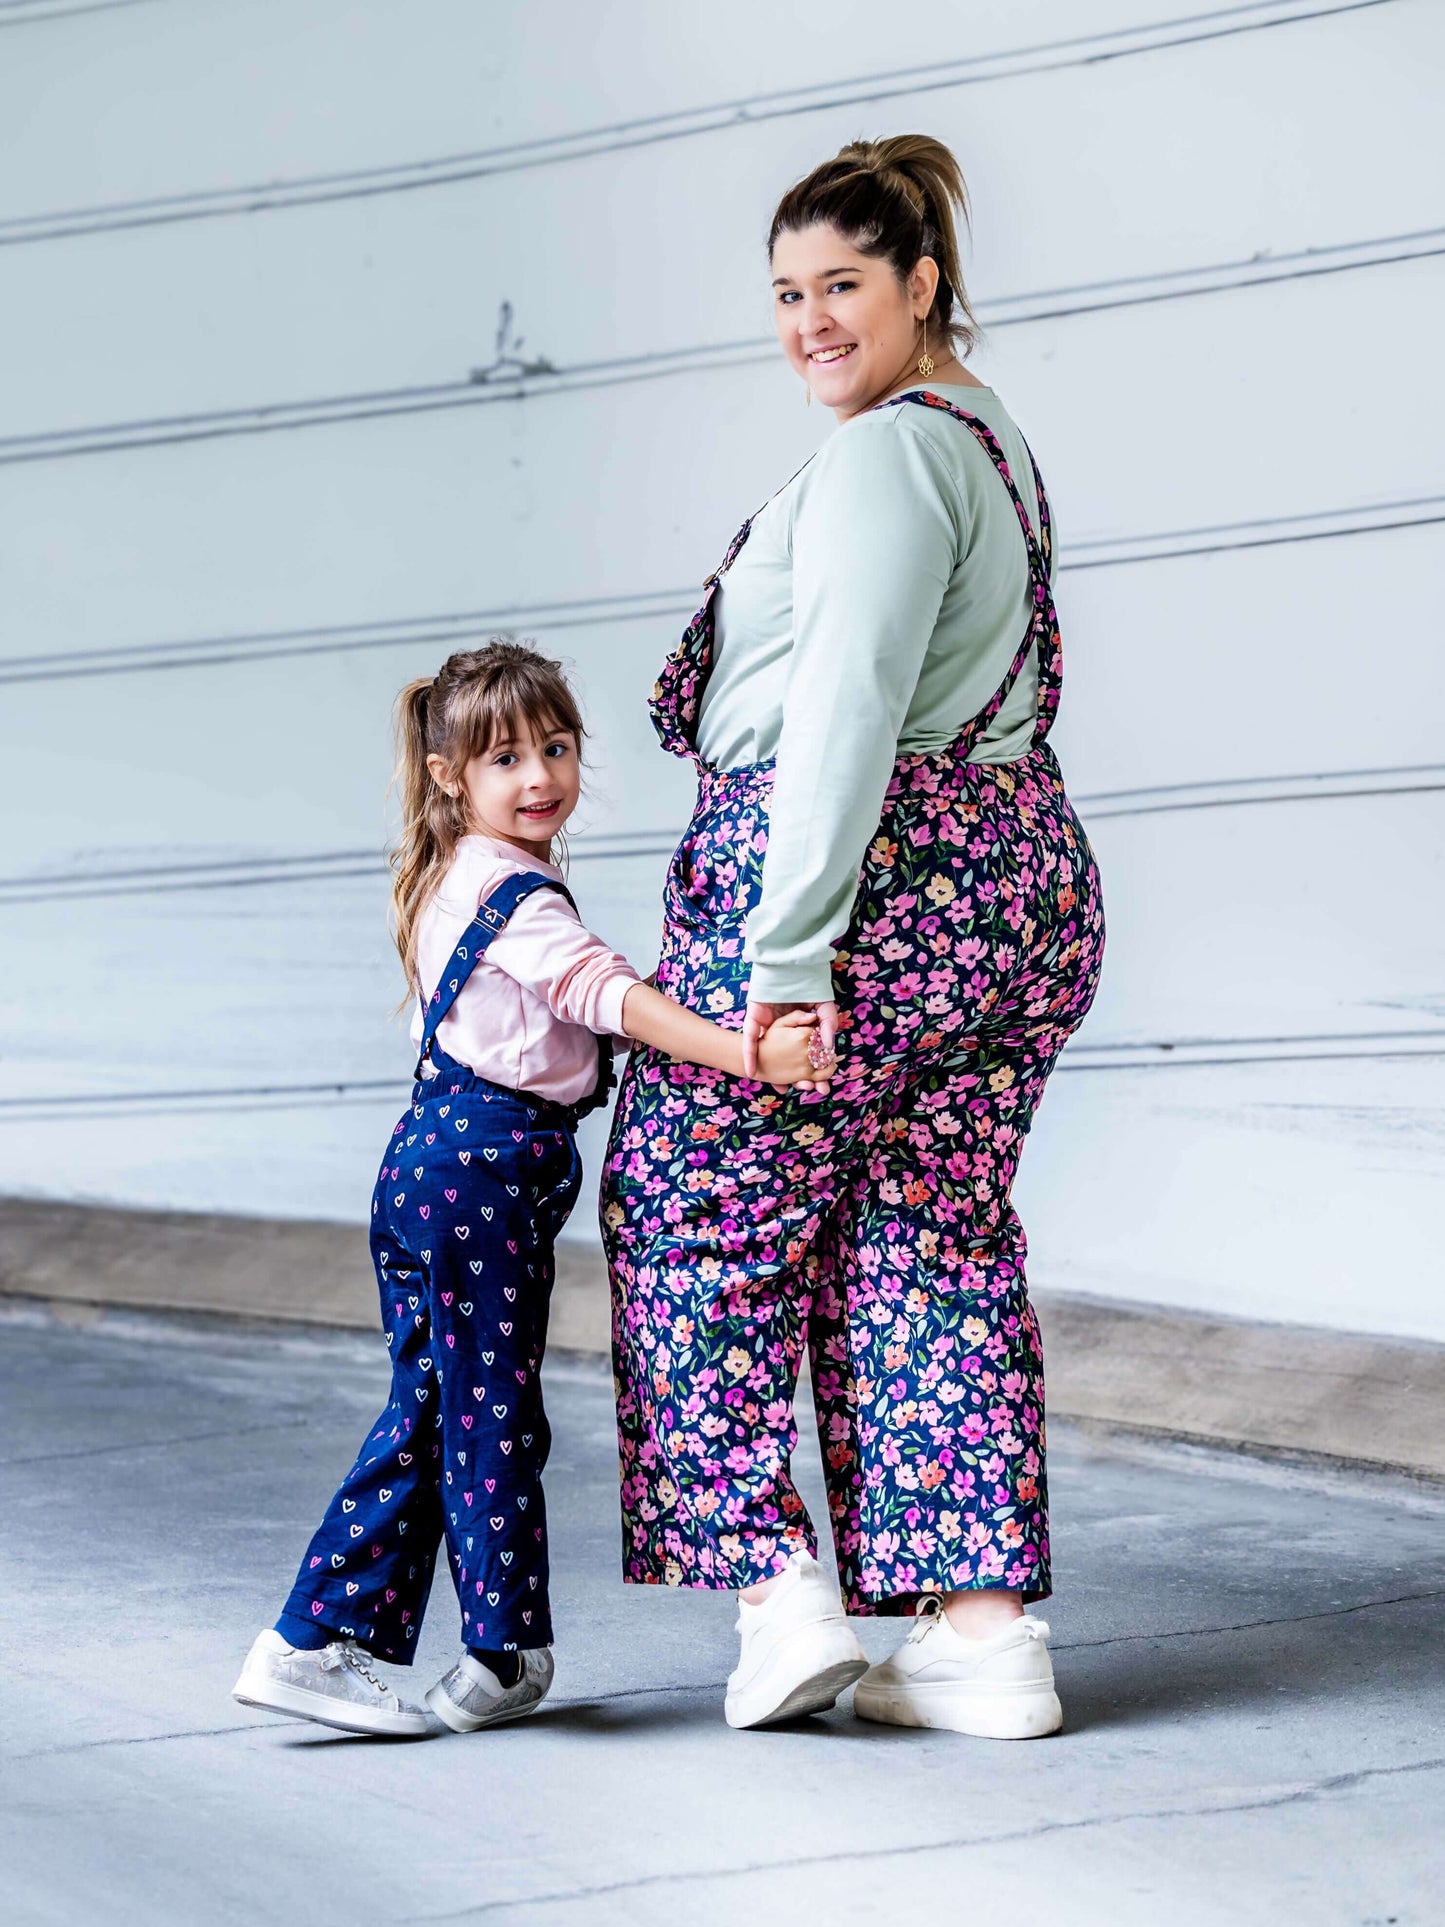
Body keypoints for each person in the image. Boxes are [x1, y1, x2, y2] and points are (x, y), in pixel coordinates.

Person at [601, 136, 1105, 1736]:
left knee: (694, 1213)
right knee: (924, 1227)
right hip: (1008, 875)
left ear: (921, 285)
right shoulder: (993, 439)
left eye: (842, 287)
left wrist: (787, 958)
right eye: (787, 294)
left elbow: (842, 712)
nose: (811, 321)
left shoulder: (893, 453)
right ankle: (979, 1640)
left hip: (862, 879)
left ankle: (777, 1594)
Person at [232, 642, 825, 1738]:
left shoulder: (458, 870)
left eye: (554, 747)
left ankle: (497, 1650)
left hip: (436, 1161)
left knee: (451, 1409)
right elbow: (605, 995)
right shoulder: (512, 891)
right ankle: (323, 1639)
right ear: (451, 773)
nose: (538, 774)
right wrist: (746, 1056)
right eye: (504, 756)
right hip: (481, 1168)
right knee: (479, 1415)